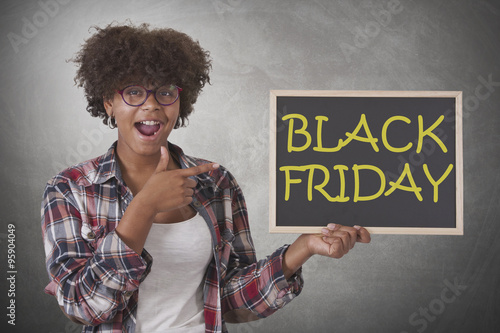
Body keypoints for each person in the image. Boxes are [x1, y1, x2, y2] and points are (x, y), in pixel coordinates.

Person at [41, 22, 371, 333]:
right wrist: (144, 206)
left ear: (180, 102)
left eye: (166, 92)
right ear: (108, 102)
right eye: (134, 92)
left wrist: (302, 249)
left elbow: (230, 301)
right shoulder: (71, 189)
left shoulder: (217, 183)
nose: (152, 105)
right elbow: (82, 306)